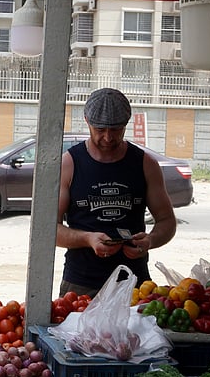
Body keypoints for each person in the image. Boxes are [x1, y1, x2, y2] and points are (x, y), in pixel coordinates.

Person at [56, 87, 177, 297]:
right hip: (81, 284)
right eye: (100, 129)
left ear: (126, 125)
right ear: (87, 121)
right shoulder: (70, 164)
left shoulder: (145, 164)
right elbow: (49, 231)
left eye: (116, 130)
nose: (108, 137)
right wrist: (87, 239)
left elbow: (167, 221)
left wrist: (150, 241)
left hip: (134, 283)